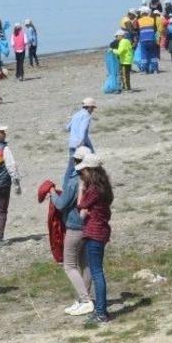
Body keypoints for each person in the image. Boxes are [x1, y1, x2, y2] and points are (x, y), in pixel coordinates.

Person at [54, 145, 93, 315]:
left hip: (75, 226)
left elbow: (62, 204)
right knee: (85, 264)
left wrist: (51, 193)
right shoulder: (96, 179)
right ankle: (82, 299)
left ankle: (85, 300)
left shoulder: (73, 181)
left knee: (69, 265)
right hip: (90, 226)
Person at [75, 153, 113, 324]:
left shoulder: (93, 190)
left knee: (97, 273)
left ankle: (101, 312)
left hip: (94, 232)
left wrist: (82, 189)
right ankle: (101, 311)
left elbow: (81, 205)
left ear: (90, 171)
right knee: (98, 271)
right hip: (101, 231)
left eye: (83, 171)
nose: (82, 174)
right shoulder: (104, 188)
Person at [65, 98, 96, 176]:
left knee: (71, 166)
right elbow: (83, 130)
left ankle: (67, 183)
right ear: (89, 107)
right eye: (92, 108)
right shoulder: (87, 116)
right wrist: (81, 142)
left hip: (72, 143)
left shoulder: (76, 114)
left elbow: (67, 127)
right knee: (91, 162)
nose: (93, 110)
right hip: (81, 144)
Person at [136, 7, 160, 74]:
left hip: (143, 40)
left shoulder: (139, 21)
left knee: (144, 55)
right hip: (152, 39)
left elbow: (137, 31)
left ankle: (144, 70)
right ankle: (155, 69)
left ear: (142, 13)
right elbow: (155, 30)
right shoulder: (152, 19)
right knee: (153, 54)